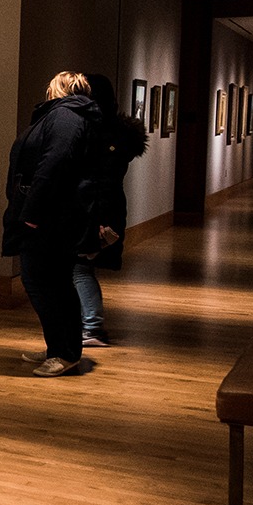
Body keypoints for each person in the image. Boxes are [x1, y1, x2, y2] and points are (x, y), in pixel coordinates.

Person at [4, 71, 100, 376]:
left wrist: (32, 212)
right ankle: (58, 346)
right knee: (51, 282)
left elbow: (54, 164)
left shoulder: (65, 116)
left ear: (60, 88)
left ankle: (65, 351)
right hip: (52, 215)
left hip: (49, 218)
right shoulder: (66, 116)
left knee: (45, 282)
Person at [72, 80, 148, 350]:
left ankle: (91, 326)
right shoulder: (116, 134)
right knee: (82, 268)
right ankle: (88, 325)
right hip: (104, 207)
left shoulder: (101, 134)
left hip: (96, 210)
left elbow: (100, 181)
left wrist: (98, 220)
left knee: (80, 268)